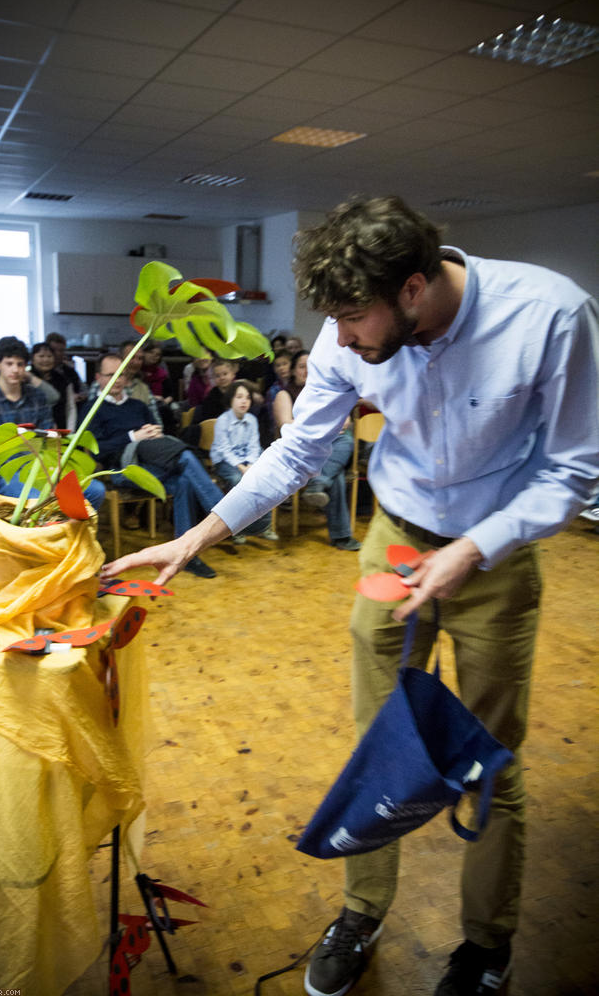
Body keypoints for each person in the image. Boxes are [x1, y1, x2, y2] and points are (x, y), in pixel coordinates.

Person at [101, 196, 599, 996]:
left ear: (410, 288)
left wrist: (473, 550)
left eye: (352, 318)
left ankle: (483, 947)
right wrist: (199, 534)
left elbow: (574, 468)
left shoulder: (549, 315)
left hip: (495, 556)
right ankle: (362, 912)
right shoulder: (352, 333)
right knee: (378, 746)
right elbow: (300, 448)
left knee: (489, 766)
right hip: (396, 540)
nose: (339, 340)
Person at [87, 354, 224, 578]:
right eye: (111, 375)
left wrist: (155, 433)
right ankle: (222, 509)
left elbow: (156, 429)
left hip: (153, 461)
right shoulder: (93, 408)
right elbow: (97, 450)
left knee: (183, 481)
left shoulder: (137, 405)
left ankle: (187, 556)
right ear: (99, 378)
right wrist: (133, 436)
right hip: (122, 468)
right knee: (184, 457)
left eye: (121, 374)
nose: (117, 379)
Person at [0, 336, 105, 512]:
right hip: (8, 472)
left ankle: (69, 533)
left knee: (96, 490)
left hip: (43, 464)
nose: (15, 369)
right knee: (38, 499)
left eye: (20, 364)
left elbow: (50, 434)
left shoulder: (37, 396)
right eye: (9, 364)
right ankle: (49, 536)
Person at [274, 350, 360, 551]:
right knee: (335, 472)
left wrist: (329, 426)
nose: (306, 370)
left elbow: (345, 421)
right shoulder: (284, 394)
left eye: (310, 366)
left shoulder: (325, 393)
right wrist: (323, 426)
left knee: (346, 441)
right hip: (300, 450)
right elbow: (285, 424)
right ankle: (341, 536)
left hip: (326, 449)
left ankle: (317, 484)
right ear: (293, 370)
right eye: (301, 366)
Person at [209, 380, 278, 543]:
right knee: (237, 480)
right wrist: (241, 467)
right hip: (225, 461)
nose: (244, 401)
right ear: (231, 400)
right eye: (239, 397)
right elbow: (225, 450)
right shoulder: (223, 420)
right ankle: (236, 528)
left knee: (263, 479)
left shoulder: (252, 419)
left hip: (247, 461)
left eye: (247, 397)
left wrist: (250, 465)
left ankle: (263, 526)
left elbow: (254, 446)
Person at [29, 342, 76, 430]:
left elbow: (70, 408)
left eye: (49, 356)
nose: (46, 360)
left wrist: (71, 431)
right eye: (41, 356)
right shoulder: (27, 380)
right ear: (32, 359)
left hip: (60, 430)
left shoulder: (63, 379)